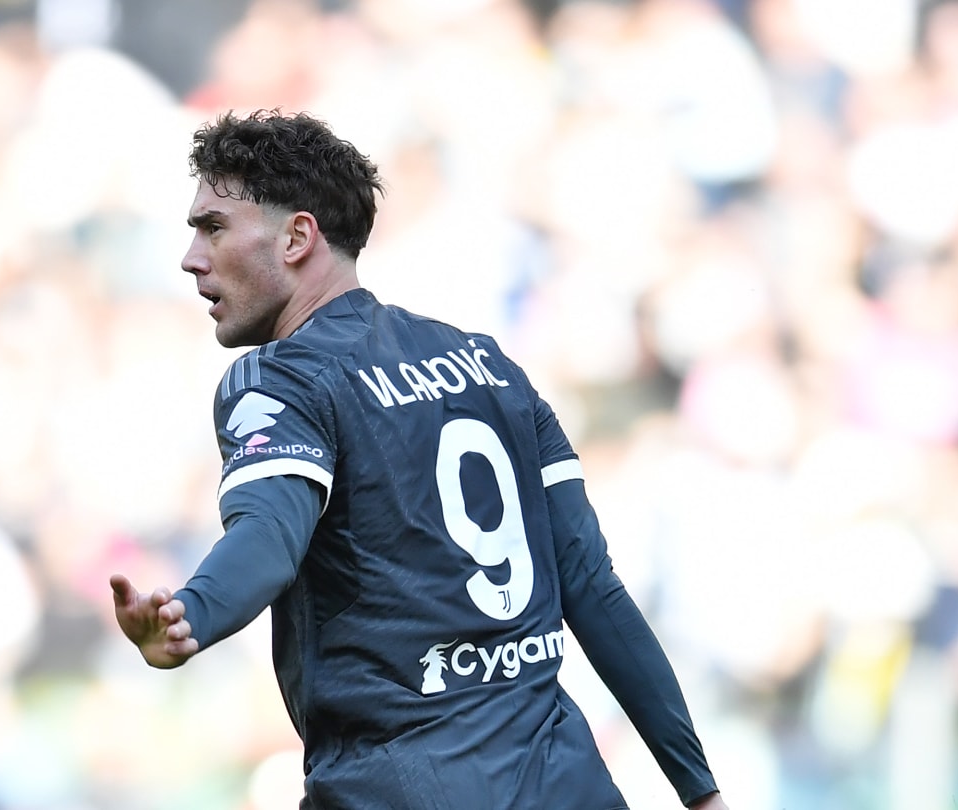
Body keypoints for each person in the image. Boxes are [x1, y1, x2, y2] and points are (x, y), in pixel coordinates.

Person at [110, 109, 730, 810]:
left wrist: (193, 614)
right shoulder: (494, 369)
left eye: (213, 227)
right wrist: (698, 789)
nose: (191, 257)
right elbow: (592, 588)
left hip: (403, 788)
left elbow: (270, 532)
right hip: (567, 786)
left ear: (297, 238)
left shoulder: (280, 379)